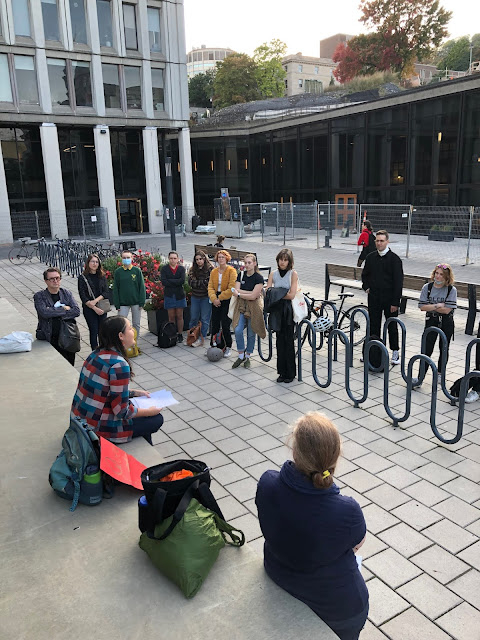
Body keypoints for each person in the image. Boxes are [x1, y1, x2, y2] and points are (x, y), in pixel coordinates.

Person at [256, 412, 368, 640]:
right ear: (335, 456)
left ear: (295, 450)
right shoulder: (347, 511)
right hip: (338, 609)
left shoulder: (267, 483)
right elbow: (356, 543)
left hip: (279, 575)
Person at [71, 316, 164, 444]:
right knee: (156, 419)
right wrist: (148, 411)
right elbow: (121, 411)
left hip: (81, 420)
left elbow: (104, 390)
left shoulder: (96, 354)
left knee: (139, 409)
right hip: (97, 429)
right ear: (121, 335)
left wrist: (135, 393)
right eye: (130, 328)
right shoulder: (119, 364)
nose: (133, 331)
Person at [361, 230, 403, 365]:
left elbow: (398, 282)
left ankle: (395, 351)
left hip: (390, 300)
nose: (379, 243)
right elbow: (365, 275)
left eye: (381, 241)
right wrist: (366, 287)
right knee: (373, 325)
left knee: (391, 325)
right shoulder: (371, 257)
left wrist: (395, 302)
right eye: (377, 241)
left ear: (387, 242)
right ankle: (373, 352)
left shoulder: (395, 260)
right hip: (374, 298)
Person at [413, 263, 457, 386]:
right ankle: (420, 376)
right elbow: (422, 307)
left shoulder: (451, 290)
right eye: (436, 273)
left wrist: (431, 307)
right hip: (431, 321)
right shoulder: (427, 287)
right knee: (426, 349)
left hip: (446, 322)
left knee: (443, 349)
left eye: (441, 274)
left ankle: (440, 373)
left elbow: (448, 309)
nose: (438, 276)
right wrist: (438, 306)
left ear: (447, 277)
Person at [34, 267, 81, 366]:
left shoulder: (66, 293)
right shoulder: (40, 296)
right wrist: (64, 309)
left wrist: (52, 311)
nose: (55, 281)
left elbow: (76, 311)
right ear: (46, 281)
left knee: (69, 364)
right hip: (50, 337)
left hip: (68, 336)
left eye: (57, 278)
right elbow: (44, 313)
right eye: (52, 279)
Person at [265, 248, 298, 383]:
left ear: (289, 261)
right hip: (277, 309)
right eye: (281, 259)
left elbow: (292, 295)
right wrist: (279, 293)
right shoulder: (273, 273)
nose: (282, 262)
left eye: (285, 260)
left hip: (288, 310)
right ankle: (281, 372)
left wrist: (276, 293)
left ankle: (290, 373)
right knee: (279, 341)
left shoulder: (293, 274)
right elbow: (267, 291)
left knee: (288, 341)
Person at [231, 254, 266, 369]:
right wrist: (249, 293)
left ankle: (248, 356)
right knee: (238, 329)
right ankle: (241, 355)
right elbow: (237, 291)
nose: (247, 265)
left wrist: (241, 293)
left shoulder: (258, 278)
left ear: (255, 263)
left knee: (252, 332)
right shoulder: (241, 275)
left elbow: (254, 296)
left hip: (254, 308)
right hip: (241, 307)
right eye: (245, 263)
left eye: (249, 262)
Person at [207, 249, 237, 358]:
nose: (221, 259)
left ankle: (228, 346)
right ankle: (214, 345)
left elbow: (232, 288)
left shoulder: (231, 271)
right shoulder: (214, 271)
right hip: (215, 298)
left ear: (227, 258)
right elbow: (210, 286)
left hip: (226, 298)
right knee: (214, 323)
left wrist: (219, 298)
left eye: (223, 257)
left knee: (225, 324)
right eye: (219, 257)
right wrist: (214, 298)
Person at [78, 254, 110, 350]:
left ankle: (103, 349)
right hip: (89, 309)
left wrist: (96, 301)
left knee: (103, 331)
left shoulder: (102, 276)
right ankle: (95, 351)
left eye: (96, 262)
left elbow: (106, 292)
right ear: (88, 263)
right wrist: (94, 307)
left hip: (101, 306)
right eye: (92, 261)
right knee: (94, 330)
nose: (94, 264)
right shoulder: (82, 277)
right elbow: (83, 296)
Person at [113, 250, 145, 338]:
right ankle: (123, 344)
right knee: (121, 325)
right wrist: (117, 304)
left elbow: (141, 287)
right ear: (121, 259)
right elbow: (116, 288)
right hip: (123, 303)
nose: (126, 259)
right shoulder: (118, 272)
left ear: (132, 258)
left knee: (136, 324)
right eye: (124, 258)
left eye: (128, 257)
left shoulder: (136, 271)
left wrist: (142, 302)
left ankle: (135, 343)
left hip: (136, 302)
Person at [187, 250, 213, 348]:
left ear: (204, 259)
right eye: (197, 259)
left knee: (204, 319)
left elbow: (209, 283)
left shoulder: (210, 269)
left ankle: (201, 338)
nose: (199, 261)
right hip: (195, 297)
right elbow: (190, 283)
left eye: (200, 259)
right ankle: (192, 336)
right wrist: (201, 283)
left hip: (205, 297)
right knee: (193, 317)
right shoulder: (192, 270)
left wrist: (198, 283)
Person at [161, 251, 187, 343]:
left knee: (180, 315)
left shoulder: (181, 269)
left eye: (175, 258)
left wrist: (170, 281)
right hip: (169, 295)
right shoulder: (164, 269)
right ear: (168, 259)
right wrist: (176, 281)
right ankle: (173, 333)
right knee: (171, 316)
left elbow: (182, 281)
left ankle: (180, 334)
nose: (173, 260)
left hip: (179, 295)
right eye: (171, 258)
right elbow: (164, 281)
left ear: (178, 259)